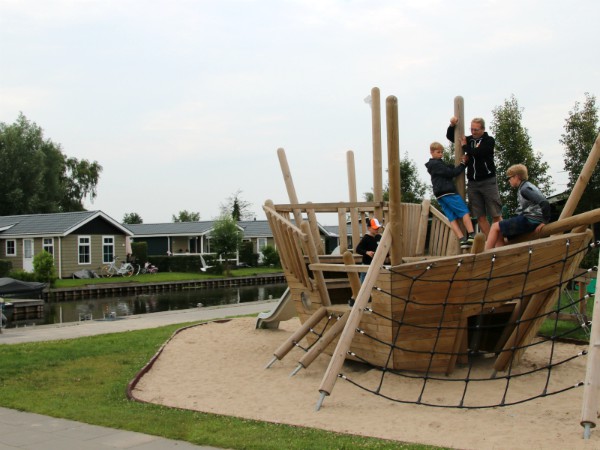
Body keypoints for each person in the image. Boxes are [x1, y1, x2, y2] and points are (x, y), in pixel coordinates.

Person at [446, 116, 502, 237]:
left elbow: (478, 153)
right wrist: (452, 125)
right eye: (471, 129)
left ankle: (501, 241)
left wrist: (465, 147)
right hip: (473, 183)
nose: (473, 132)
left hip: (488, 181)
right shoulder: (469, 140)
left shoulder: (489, 140)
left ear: (483, 129)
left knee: (496, 214)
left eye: (476, 130)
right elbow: (451, 137)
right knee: (480, 216)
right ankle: (490, 241)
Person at [485, 164, 551, 250]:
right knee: (500, 229)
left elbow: (544, 202)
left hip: (530, 220)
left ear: (516, 177)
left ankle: (485, 255)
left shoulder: (525, 189)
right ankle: (499, 253)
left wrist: (545, 221)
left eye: (509, 178)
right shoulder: (527, 186)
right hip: (531, 219)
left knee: (494, 227)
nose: (509, 181)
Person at [425, 141, 475, 247]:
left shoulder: (432, 165)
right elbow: (451, 173)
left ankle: (462, 239)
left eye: (442, 152)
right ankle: (471, 235)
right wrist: (463, 164)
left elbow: (447, 171)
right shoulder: (437, 164)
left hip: (439, 195)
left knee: (452, 218)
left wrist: (453, 167)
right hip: (448, 192)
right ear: (432, 152)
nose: (441, 154)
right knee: (464, 212)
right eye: (438, 152)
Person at [355, 218, 382, 284]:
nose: (377, 229)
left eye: (377, 228)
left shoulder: (379, 237)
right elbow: (358, 249)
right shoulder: (366, 238)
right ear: (369, 228)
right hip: (367, 264)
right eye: (375, 228)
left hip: (376, 263)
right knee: (364, 282)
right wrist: (367, 252)